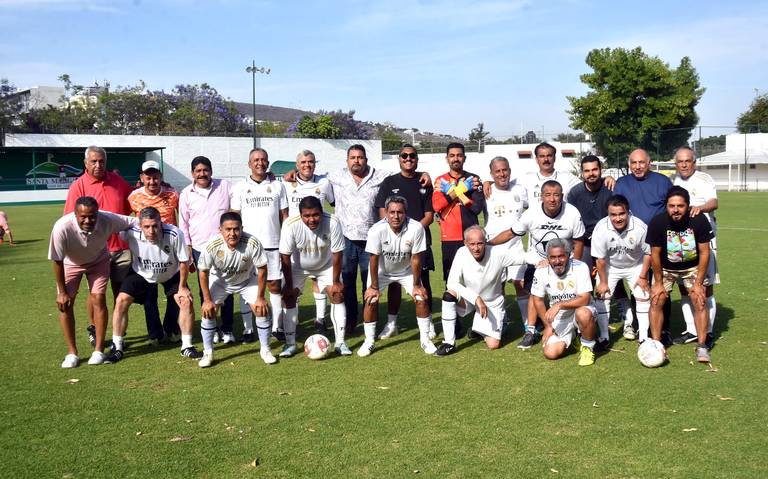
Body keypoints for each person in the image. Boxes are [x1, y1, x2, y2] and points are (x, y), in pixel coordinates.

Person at [489, 180, 585, 349]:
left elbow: (578, 241)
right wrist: (489, 244)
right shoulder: (531, 213)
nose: (552, 199)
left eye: (556, 195)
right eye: (548, 195)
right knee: (535, 292)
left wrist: (575, 265)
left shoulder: (572, 213)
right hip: (539, 261)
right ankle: (531, 331)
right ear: (541, 197)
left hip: (564, 261)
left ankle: (577, 327)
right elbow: (511, 233)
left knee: (574, 293)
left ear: (562, 196)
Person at [48, 196, 136, 367]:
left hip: (98, 261)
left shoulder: (107, 219)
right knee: (65, 304)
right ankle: (72, 353)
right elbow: (57, 261)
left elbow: (134, 222)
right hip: (70, 263)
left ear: (98, 213)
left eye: (92, 216)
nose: (88, 220)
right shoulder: (61, 227)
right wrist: (62, 292)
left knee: (98, 299)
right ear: (75, 214)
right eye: (83, 216)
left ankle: (98, 351)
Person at [107, 207, 201, 363]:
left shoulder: (174, 234)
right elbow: (114, 228)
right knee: (121, 300)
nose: (151, 231)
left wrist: (183, 287)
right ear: (140, 226)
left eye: (155, 226)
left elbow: (184, 261)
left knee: (185, 300)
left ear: (161, 223)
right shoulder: (131, 233)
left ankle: (187, 346)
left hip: (170, 273)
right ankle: (117, 346)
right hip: (141, 273)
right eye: (146, 227)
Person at [64, 146, 133, 347]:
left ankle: (118, 332)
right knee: (95, 294)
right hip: (93, 251)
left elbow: (132, 206)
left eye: (101, 161)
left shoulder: (118, 181)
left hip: (120, 248)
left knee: (121, 293)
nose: (98, 165)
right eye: (93, 161)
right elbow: (70, 218)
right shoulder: (78, 186)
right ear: (85, 163)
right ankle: (94, 328)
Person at [360, 195, 436, 356]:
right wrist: (373, 287)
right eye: (392, 212)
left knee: (421, 299)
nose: (396, 216)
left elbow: (416, 258)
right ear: (386, 213)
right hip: (382, 272)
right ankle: (369, 341)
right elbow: (373, 259)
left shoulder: (416, 228)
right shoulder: (376, 230)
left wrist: (416, 285)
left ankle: (425, 340)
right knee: (371, 300)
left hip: (406, 271)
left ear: (405, 213)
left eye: (400, 212)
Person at [567, 155, 632, 344]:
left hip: (609, 243)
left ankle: (624, 311)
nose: (591, 174)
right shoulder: (575, 193)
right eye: (587, 171)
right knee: (583, 280)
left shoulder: (610, 188)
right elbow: (571, 220)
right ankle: (584, 318)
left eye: (594, 170)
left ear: (601, 170)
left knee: (615, 278)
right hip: (585, 243)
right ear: (582, 173)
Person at [326, 144, 390, 333]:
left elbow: (403, 175)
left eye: (360, 157)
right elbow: (309, 175)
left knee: (370, 282)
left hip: (371, 239)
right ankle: (351, 321)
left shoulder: (380, 176)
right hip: (345, 239)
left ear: (366, 160)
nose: (356, 161)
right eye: (352, 157)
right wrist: (291, 174)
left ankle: (370, 321)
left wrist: (424, 174)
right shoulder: (336, 176)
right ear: (347, 161)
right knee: (347, 282)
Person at [373, 144, 435, 339]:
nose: (408, 158)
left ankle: (429, 322)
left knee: (422, 282)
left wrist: (412, 233)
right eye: (404, 155)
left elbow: (429, 215)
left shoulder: (424, 182)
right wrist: (396, 233)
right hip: (393, 242)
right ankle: (392, 324)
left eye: (412, 156)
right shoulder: (389, 182)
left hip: (418, 241)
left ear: (417, 159)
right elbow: (383, 213)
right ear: (399, 158)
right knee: (393, 283)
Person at [646, 186, 714, 363]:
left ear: (688, 206)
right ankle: (656, 344)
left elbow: (705, 252)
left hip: (692, 267)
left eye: (680, 206)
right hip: (666, 268)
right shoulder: (658, 222)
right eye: (671, 205)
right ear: (666, 206)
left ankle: (702, 345)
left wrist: (699, 282)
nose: (675, 210)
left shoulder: (698, 220)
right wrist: (658, 283)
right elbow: (654, 254)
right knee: (657, 299)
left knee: (699, 299)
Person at [197, 212, 272, 368]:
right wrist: (207, 300)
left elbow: (262, 269)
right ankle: (208, 352)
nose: (232, 233)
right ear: (220, 230)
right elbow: (203, 272)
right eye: (228, 229)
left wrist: (260, 297)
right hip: (220, 282)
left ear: (242, 228)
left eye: (236, 229)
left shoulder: (252, 242)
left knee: (261, 309)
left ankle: (265, 350)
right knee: (208, 311)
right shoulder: (212, 245)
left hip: (246, 280)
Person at [434, 225, 524, 356]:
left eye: (480, 243)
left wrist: (546, 260)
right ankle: (449, 343)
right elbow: (451, 283)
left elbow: (523, 258)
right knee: (449, 295)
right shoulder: (461, 253)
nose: (476, 248)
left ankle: (478, 329)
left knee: (493, 345)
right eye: (472, 244)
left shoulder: (497, 253)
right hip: (470, 300)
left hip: (492, 302)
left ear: (485, 241)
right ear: (465, 243)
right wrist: (476, 298)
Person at [613, 148, 673, 343]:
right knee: (638, 285)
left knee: (661, 285)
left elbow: (672, 207)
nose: (637, 167)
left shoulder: (663, 182)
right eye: (633, 163)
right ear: (629, 165)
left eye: (641, 162)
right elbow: (616, 209)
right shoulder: (622, 183)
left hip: (659, 244)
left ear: (649, 163)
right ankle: (641, 325)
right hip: (634, 245)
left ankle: (664, 329)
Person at [279, 196, 350, 357]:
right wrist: (289, 285)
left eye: (316, 215)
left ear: (322, 211)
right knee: (289, 297)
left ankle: (340, 342)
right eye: (307, 216)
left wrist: (336, 281)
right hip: (298, 268)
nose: (312, 219)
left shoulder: (333, 221)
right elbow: (285, 256)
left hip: (326, 266)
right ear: (300, 214)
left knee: (337, 294)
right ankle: (289, 344)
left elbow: (337, 253)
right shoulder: (290, 225)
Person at [230, 148, 289, 343]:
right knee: (245, 286)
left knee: (274, 285)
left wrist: (286, 242)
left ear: (268, 162)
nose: (260, 163)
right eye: (256, 160)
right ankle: (248, 329)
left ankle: (277, 327)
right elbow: (234, 217)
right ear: (249, 164)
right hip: (246, 246)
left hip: (272, 244)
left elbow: (285, 217)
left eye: (263, 159)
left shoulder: (278, 187)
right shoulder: (239, 187)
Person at [178, 156, 236, 343]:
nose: (202, 174)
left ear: (211, 171)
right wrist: (187, 247)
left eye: (205, 170)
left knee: (227, 287)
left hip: (224, 246)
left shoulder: (225, 186)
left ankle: (227, 329)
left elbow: (243, 192)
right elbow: (184, 224)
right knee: (206, 291)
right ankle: (213, 328)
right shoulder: (186, 193)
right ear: (192, 173)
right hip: (199, 248)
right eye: (198, 171)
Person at [432, 142, 484, 335]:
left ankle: (480, 323)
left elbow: (476, 208)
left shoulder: (474, 179)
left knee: (477, 280)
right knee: (451, 282)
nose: (456, 158)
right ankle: (454, 324)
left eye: (459, 155)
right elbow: (437, 206)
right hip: (449, 239)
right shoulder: (439, 180)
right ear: (447, 158)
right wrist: (461, 191)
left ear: (464, 157)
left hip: (471, 238)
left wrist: (455, 192)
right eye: (452, 155)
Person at [127, 160, 182, 344]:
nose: (152, 181)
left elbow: (184, 216)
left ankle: (171, 327)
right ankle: (155, 334)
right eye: (148, 177)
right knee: (150, 297)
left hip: (170, 252)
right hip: (146, 253)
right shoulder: (133, 197)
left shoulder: (172, 194)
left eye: (156, 177)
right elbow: (125, 220)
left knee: (175, 293)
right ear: (142, 178)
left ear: (160, 177)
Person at [671, 146, 718, 347]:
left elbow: (714, 202)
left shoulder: (704, 179)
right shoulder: (673, 180)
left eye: (687, 160)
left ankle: (707, 332)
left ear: (694, 162)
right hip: (679, 241)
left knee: (705, 288)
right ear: (676, 163)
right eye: (680, 161)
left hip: (703, 239)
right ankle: (691, 329)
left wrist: (699, 208)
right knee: (684, 288)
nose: (683, 164)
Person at [284, 150, 335, 333]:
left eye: (311, 161)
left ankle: (320, 320)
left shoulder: (324, 182)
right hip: (295, 240)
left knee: (318, 279)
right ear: (296, 165)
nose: (307, 165)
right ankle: (293, 321)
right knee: (294, 283)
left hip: (319, 239)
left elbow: (334, 203)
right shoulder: (286, 183)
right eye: (303, 162)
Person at [591, 195, 652, 347]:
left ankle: (644, 337)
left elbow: (649, 253)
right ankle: (604, 337)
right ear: (608, 214)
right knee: (602, 296)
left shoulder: (640, 227)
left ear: (628, 212)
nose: (618, 219)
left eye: (621, 214)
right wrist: (603, 283)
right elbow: (600, 259)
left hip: (635, 266)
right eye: (613, 214)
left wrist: (643, 277)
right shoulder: (600, 228)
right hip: (610, 267)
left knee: (643, 295)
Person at [530, 239, 598, 366]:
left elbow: (585, 299)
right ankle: (575, 336)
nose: (557, 261)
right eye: (553, 257)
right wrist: (548, 326)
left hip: (582, 308)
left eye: (561, 256)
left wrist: (559, 304)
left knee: (583, 314)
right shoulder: (541, 271)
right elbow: (537, 300)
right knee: (551, 353)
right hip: (560, 317)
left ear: (568, 255)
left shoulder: (580, 267)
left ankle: (588, 347)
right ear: (548, 258)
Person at [482, 156, 529, 332]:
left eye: (505, 170)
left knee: (520, 284)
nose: (502, 174)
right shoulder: (486, 192)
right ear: (492, 174)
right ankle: (502, 321)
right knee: (497, 286)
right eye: (498, 171)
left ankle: (528, 324)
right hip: (493, 247)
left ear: (509, 170)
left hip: (516, 246)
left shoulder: (520, 189)